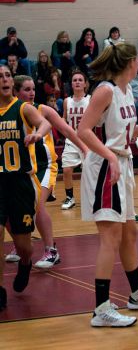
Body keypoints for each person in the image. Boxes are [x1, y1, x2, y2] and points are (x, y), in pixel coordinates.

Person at [77, 42, 138, 328]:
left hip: (121, 163)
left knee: (130, 232)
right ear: (129, 62)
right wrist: (110, 157)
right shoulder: (105, 90)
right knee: (111, 238)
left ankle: (137, 294)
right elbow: (84, 130)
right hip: (107, 167)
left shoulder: (127, 90)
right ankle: (101, 309)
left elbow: (122, 132)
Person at [5, 75, 87, 269]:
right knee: (8, 209)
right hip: (22, 168)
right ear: (16, 92)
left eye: (33, 88)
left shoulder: (43, 110)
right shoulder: (9, 111)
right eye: (26, 89)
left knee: (37, 205)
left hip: (45, 165)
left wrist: (85, 149)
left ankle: (51, 250)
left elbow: (67, 131)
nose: (32, 93)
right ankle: (20, 243)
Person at [0, 65, 51, 311]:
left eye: (8, 75)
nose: (5, 79)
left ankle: (26, 262)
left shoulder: (22, 108)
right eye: (0, 76)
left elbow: (44, 123)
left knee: (23, 245)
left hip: (20, 181)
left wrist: (38, 135)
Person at [61, 71, 90, 210]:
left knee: (88, 171)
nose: (77, 82)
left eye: (80, 80)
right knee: (66, 170)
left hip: (87, 140)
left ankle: (90, 197)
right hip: (71, 139)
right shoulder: (67, 101)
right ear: (71, 84)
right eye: (74, 80)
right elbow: (64, 118)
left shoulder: (90, 100)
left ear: (85, 83)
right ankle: (70, 197)